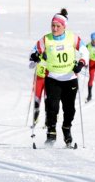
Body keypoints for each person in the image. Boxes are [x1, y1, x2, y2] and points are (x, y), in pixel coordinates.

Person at [29, 9, 88, 146]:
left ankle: (66, 129)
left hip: (69, 78)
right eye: (53, 25)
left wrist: (81, 63)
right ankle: (51, 134)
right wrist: (35, 56)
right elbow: (33, 54)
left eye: (58, 26)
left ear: (64, 27)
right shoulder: (46, 39)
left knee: (69, 110)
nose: (55, 28)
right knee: (52, 107)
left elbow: (84, 50)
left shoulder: (72, 38)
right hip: (53, 79)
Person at [28, 45, 47, 127]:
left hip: (48, 80)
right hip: (39, 79)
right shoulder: (39, 54)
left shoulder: (52, 57)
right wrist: (35, 60)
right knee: (37, 100)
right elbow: (30, 66)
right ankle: (35, 118)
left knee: (47, 100)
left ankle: (48, 120)